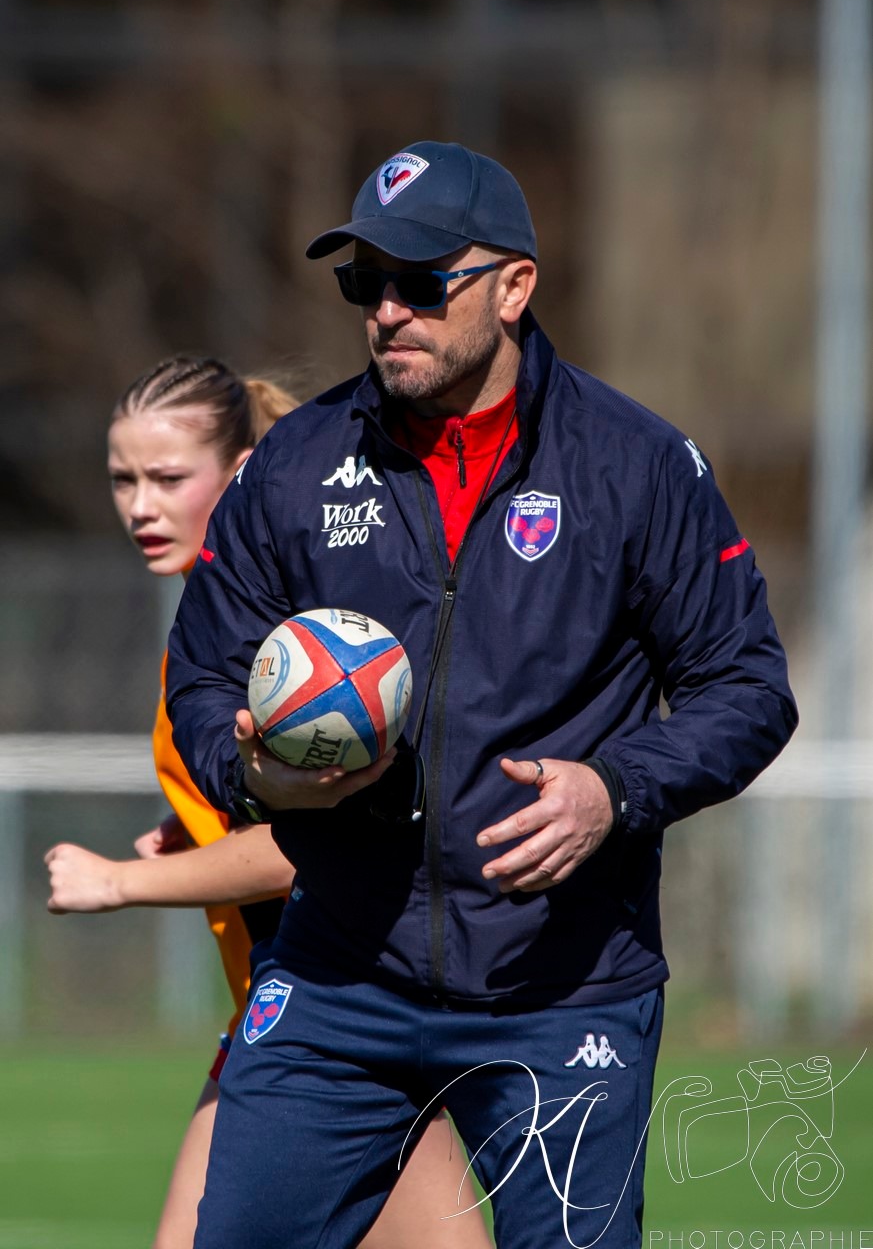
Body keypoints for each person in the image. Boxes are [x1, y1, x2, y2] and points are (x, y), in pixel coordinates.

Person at [166, 141, 798, 1249]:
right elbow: (204, 677)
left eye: (421, 279)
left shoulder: (636, 465)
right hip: (337, 979)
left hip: (564, 990)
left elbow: (746, 685)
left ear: (514, 286)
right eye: (366, 282)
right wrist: (254, 772)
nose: (388, 311)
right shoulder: (296, 467)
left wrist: (614, 789)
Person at [45, 352, 490, 1249]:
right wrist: (197, 830)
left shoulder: (295, 657)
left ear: (245, 472)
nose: (139, 506)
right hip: (282, 1017)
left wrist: (118, 883)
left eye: (168, 478)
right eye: (122, 479)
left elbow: (311, 849)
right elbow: (277, 813)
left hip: (352, 1024)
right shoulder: (202, 644)